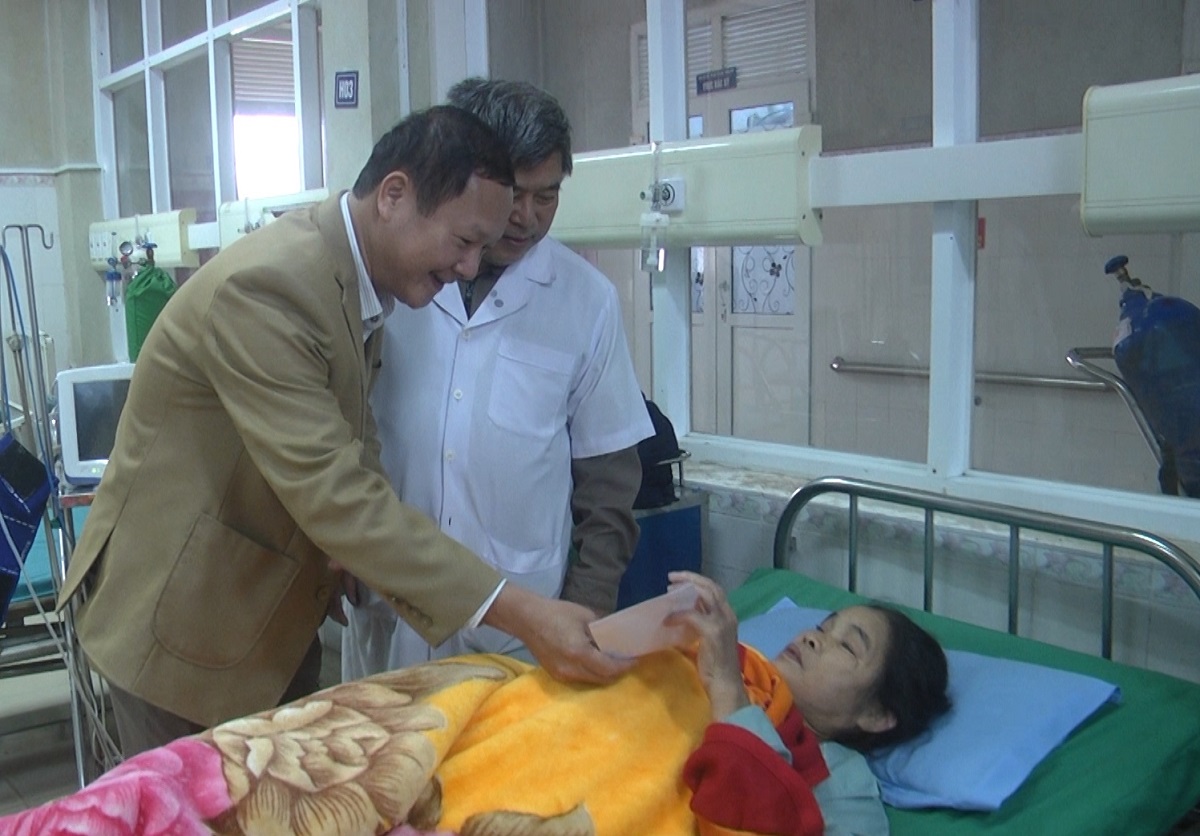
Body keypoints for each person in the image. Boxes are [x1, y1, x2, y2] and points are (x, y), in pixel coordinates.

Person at [56, 105, 633, 759]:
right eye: (464, 242)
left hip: (272, 616)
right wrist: (522, 611)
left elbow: (357, 434)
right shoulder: (269, 290)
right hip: (188, 623)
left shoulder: (356, 282)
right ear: (394, 195)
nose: (471, 268)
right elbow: (335, 493)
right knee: (201, 803)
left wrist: (362, 559)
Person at [12, 571, 950, 835]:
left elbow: (763, 822)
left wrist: (720, 688)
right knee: (250, 771)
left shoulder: (833, 773)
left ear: (876, 716)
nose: (816, 637)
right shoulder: (722, 641)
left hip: (562, 791)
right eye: (826, 623)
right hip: (483, 709)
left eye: (848, 646)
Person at [343, 78, 653, 677]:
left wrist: (586, 611)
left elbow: (609, 484)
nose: (527, 217)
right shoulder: (395, 279)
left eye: (547, 196)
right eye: (514, 193)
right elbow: (341, 428)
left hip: (518, 630)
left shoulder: (585, 300)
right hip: (389, 609)